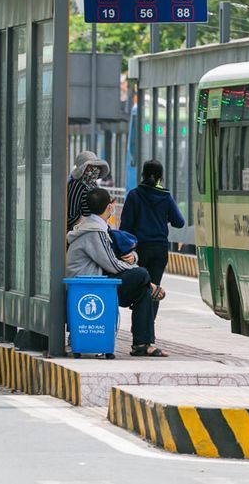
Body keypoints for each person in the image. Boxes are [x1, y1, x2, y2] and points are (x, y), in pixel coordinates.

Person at [66, 187, 168, 357]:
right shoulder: (94, 232)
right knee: (142, 275)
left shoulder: (94, 227)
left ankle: (142, 344)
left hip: (97, 282)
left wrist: (133, 259)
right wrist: (143, 276)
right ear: (108, 207)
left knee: (142, 291)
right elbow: (113, 264)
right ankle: (150, 289)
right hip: (91, 286)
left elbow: (115, 256)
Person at [120, 159, 185, 329]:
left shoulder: (134, 195)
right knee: (154, 289)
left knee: (142, 288)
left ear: (142, 174)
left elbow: (125, 226)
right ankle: (148, 329)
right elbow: (179, 222)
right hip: (160, 250)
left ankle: (139, 330)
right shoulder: (165, 196)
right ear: (160, 178)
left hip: (140, 250)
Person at [66, 151, 111, 232]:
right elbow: (71, 217)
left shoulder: (92, 184)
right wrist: (88, 221)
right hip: (81, 234)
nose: (96, 169)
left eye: (97, 166)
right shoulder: (77, 186)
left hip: (95, 230)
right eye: (91, 167)